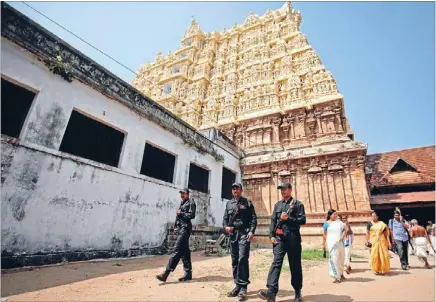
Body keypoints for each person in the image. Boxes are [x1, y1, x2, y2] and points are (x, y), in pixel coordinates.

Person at [258, 182, 306, 302]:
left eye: (285, 189)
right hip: (280, 239)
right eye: (281, 190)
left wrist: (288, 218)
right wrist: (271, 235)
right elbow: (273, 221)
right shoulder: (278, 205)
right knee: (276, 262)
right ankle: (271, 292)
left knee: (294, 265)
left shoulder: (297, 204)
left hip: (293, 238)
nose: (283, 191)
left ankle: (297, 292)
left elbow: (302, 220)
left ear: (290, 189)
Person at [223, 182, 257, 301]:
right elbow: (225, 219)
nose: (235, 190)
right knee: (234, 260)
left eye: (237, 188)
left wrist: (251, 231)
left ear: (241, 190)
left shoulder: (247, 202)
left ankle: (243, 287)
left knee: (243, 258)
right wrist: (226, 227)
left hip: (244, 234)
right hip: (233, 235)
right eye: (233, 189)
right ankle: (237, 285)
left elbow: (253, 218)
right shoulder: (229, 204)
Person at [156, 188, 196, 282]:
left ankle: (166, 273)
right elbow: (178, 218)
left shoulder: (191, 203)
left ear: (188, 194)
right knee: (185, 252)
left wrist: (181, 213)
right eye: (181, 193)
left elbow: (191, 215)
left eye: (184, 193)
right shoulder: (182, 203)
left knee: (177, 249)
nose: (182, 195)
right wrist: (176, 227)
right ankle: (188, 274)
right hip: (181, 228)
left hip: (185, 228)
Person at [323, 210, 347, 283]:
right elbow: (324, 234)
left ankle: (341, 273)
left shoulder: (339, 223)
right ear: (330, 215)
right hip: (331, 243)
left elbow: (345, 230)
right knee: (334, 259)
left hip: (340, 243)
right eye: (334, 214)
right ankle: (336, 276)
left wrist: (342, 236)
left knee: (341, 258)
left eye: (336, 214)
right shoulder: (326, 224)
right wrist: (323, 244)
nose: (336, 216)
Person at [366, 211, 391, 275]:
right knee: (374, 255)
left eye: (374, 216)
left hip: (382, 240)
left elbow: (386, 234)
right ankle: (375, 269)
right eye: (372, 216)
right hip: (373, 241)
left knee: (383, 254)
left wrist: (389, 242)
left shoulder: (382, 224)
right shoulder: (369, 223)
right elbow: (367, 233)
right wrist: (367, 240)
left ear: (377, 217)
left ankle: (383, 269)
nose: (373, 217)